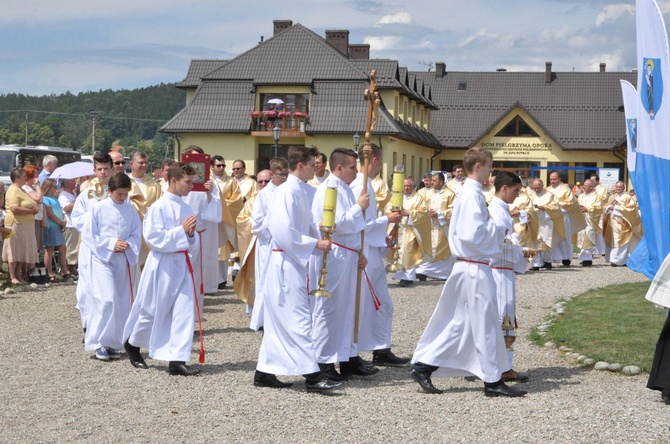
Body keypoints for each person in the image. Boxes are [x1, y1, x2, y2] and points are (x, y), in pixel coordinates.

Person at [410, 147, 526, 398]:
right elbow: (472, 234)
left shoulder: (470, 193)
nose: (491, 172)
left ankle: (423, 366)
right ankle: (493, 382)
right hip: (474, 266)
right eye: (489, 166)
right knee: (485, 325)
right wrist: (497, 229)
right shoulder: (472, 194)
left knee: (464, 324)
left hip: (471, 265)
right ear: (478, 167)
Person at [255, 146, 344, 393]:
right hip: (285, 263)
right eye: (313, 164)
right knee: (298, 320)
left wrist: (321, 230)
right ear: (301, 165)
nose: (316, 168)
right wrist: (315, 243)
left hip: (293, 262)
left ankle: (264, 372)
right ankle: (313, 377)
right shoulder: (286, 192)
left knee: (281, 321)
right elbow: (283, 231)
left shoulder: (300, 191)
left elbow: (301, 226)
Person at [123, 162, 203, 376]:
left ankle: (177, 360)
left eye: (192, 182)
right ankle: (132, 343)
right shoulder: (159, 206)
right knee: (153, 310)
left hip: (181, 264)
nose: (191, 186)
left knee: (184, 311)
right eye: (187, 182)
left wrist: (191, 234)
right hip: (162, 265)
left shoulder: (186, 207)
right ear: (174, 180)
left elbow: (192, 241)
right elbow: (153, 239)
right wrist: (181, 231)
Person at [310, 147, 374, 380]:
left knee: (349, 308)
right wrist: (360, 208)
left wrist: (359, 251)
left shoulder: (344, 188)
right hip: (334, 256)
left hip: (348, 254)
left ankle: (346, 358)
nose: (357, 171)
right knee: (331, 309)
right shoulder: (329, 189)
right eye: (352, 166)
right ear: (339, 167)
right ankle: (323, 361)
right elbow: (336, 224)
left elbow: (352, 227)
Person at [350, 143, 409, 366]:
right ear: (374, 159)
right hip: (362, 251)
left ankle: (381, 348)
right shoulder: (360, 186)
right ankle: (352, 354)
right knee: (362, 303)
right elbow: (359, 223)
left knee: (383, 303)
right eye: (381, 159)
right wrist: (387, 220)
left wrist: (384, 235)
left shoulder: (370, 186)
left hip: (372, 250)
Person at [82, 173, 141, 361]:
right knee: (106, 299)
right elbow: (89, 236)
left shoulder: (130, 211)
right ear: (109, 191)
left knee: (120, 300)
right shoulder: (98, 209)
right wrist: (111, 243)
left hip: (122, 259)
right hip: (102, 259)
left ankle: (112, 342)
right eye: (119, 194)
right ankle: (99, 342)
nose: (122, 198)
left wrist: (128, 244)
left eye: (125, 194)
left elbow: (136, 233)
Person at [489, 171, 529, 383]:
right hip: (500, 270)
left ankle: (500, 364)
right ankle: (504, 367)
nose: (517, 195)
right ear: (504, 188)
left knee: (504, 315)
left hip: (504, 270)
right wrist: (520, 250)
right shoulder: (496, 210)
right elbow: (499, 245)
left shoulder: (501, 210)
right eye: (515, 191)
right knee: (505, 317)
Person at [71, 153, 113, 338]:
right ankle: (88, 325)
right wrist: (96, 216)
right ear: (94, 170)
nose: (103, 172)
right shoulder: (87, 193)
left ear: (112, 169)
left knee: (108, 292)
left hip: (111, 247)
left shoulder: (118, 192)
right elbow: (77, 218)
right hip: (90, 246)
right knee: (86, 289)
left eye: (106, 168)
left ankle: (108, 330)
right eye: (99, 169)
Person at [246, 160, 289, 331]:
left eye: (286, 174)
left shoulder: (288, 190)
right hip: (268, 245)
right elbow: (256, 224)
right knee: (266, 281)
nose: (285, 178)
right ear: (273, 175)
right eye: (281, 175)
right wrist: (274, 227)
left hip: (286, 244)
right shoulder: (264, 194)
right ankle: (263, 320)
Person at [181, 146, 222, 300]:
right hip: (182, 232)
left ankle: (195, 307)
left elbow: (216, 210)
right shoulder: (177, 181)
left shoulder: (209, 183)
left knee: (197, 272)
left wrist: (209, 193)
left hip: (200, 233)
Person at [386, 177, 431, 287]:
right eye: (404, 186)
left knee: (409, 252)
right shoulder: (395, 197)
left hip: (411, 230)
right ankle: (400, 274)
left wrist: (409, 212)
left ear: (412, 187)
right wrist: (394, 212)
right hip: (398, 228)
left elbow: (423, 212)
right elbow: (387, 208)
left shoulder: (418, 198)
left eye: (408, 186)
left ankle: (408, 277)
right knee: (399, 251)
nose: (406, 188)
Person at [415, 172, 456, 281]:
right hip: (428, 226)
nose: (431, 183)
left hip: (442, 227)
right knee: (427, 247)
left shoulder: (449, 194)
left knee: (441, 249)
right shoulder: (427, 193)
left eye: (434, 181)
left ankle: (441, 273)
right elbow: (421, 207)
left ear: (441, 182)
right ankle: (422, 271)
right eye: (431, 180)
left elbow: (454, 210)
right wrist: (427, 212)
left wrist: (439, 214)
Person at [211, 155, 243, 290]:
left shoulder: (231, 182)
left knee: (222, 248)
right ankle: (209, 279)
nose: (221, 168)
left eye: (223, 165)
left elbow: (236, 200)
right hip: (210, 220)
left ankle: (221, 280)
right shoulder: (207, 180)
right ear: (212, 167)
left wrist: (220, 206)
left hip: (224, 219)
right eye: (218, 165)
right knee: (210, 250)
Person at [127, 150, 163, 267]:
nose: (144, 165)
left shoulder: (154, 185)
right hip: (130, 228)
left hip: (147, 229)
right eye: (141, 163)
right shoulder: (124, 182)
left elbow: (161, 204)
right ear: (131, 164)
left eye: (146, 163)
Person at [3, 168, 39, 284]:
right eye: (24, 176)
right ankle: (12, 276)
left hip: (26, 225)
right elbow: (14, 208)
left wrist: (33, 209)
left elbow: (36, 200)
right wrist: (31, 211)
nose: (26, 178)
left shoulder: (22, 189)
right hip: (16, 224)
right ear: (17, 178)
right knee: (14, 250)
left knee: (22, 250)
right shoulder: (13, 190)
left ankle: (19, 275)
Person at [546, 171, 585, 267]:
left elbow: (570, 203)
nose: (552, 181)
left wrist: (555, 206)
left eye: (554, 179)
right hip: (550, 218)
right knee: (550, 238)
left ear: (559, 179)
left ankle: (565, 258)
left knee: (563, 238)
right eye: (551, 179)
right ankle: (549, 259)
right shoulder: (547, 190)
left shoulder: (565, 190)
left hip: (562, 218)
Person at [602, 181, 643, 266]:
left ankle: (617, 260)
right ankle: (619, 259)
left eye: (620, 187)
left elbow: (631, 209)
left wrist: (616, 208)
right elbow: (606, 206)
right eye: (617, 187)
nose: (618, 188)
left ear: (624, 188)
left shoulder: (627, 197)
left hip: (623, 223)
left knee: (620, 240)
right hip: (612, 222)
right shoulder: (614, 197)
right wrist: (608, 208)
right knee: (613, 240)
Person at [528, 179, 563, 271]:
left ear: (542, 186)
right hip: (535, 222)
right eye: (534, 188)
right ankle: (535, 263)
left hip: (546, 222)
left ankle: (547, 262)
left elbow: (555, 207)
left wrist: (545, 208)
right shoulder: (531, 195)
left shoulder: (549, 195)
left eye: (538, 188)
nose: (536, 190)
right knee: (534, 242)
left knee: (545, 242)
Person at [41, 179, 69, 282]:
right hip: (51, 226)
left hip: (58, 225)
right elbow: (50, 213)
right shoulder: (45, 199)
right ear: (48, 187)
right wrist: (60, 222)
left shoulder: (55, 199)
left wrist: (63, 220)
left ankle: (64, 270)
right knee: (50, 249)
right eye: (54, 186)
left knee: (63, 248)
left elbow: (59, 210)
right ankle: (49, 272)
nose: (56, 188)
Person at [576, 179, 603, 267]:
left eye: (586, 185)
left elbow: (598, 208)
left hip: (590, 220)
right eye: (584, 185)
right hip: (582, 220)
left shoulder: (596, 196)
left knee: (588, 238)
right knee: (582, 238)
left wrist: (588, 209)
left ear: (591, 187)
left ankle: (588, 259)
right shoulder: (581, 196)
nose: (583, 187)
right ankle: (584, 258)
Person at [58, 178, 79, 277]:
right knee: (69, 247)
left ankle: (73, 266)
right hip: (69, 224)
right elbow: (66, 208)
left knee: (75, 247)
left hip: (75, 224)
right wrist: (76, 202)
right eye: (72, 181)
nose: (74, 183)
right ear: (66, 184)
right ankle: (66, 268)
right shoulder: (63, 195)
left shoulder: (73, 194)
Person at [23, 165, 45, 255]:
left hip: (39, 218)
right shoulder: (26, 188)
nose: (38, 177)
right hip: (33, 218)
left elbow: (42, 202)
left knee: (38, 243)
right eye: (36, 175)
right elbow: (38, 199)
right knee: (33, 243)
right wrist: (37, 185)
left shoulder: (33, 188)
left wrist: (44, 218)